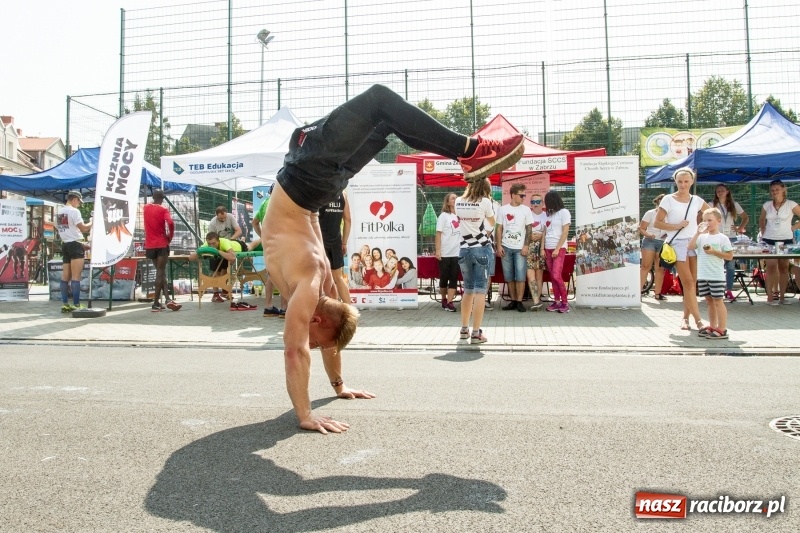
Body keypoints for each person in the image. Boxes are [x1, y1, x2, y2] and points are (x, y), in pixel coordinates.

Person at [263, 84, 523, 433]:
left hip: (312, 180)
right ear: (319, 320)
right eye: (316, 340)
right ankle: (469, 151)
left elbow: (309, 346)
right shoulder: (313, 281)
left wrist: (325, 397)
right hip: (310, 180)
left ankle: (469, 152)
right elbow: (299, 351)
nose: (310, 343)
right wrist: (310, 411)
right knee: (381, 109)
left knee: (382, 111)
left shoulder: (313, 285)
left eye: (315, 342)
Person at [654, 167, 711, 330]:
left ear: (692, 181)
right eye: (680, 181)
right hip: (677, 242)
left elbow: (712, 215)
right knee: (687, 282)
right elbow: (658, 223)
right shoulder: (668, 200)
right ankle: (699, 321)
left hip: (694, 241)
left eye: (686, 181)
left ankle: (685, 318)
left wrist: (704, 227)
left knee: (692, 283)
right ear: (675, 182)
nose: (683, 184)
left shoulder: (697, 200)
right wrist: (676, 226)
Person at [454, 178, 496, 344]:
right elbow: (492, 222)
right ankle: (476, 333)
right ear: (486, 188)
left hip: (463, 248)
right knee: (480, 291)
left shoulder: (458, 201)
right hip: (481, 248)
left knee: (468, 290)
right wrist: (486, 230)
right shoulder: (485, 202)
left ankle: (464, 329)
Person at [689, 207, 733, 339]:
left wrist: (714, 252)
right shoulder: (702, 238)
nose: (707, 223)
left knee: (718, 300)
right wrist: (697, 233)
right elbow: (690, 246)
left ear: (718, 221)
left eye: (710, 220)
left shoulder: (722, 238)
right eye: (704, 220)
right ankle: (713, 325)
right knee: (709, 301)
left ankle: (722, 328)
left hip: (716, 275)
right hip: (703, 274)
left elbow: (729, 256)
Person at [190, 231, 261, 310]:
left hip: (238, 246)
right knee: (219, 269)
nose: (211, 246)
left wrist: (219, 251)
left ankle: (260, 239)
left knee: (250, 246)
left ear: (218, 241)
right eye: (209, 244)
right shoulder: (207, 245)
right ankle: (242, 239)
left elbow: (233, 257)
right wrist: (199, 251)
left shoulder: (224, 242)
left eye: (214, 243)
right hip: (231, 244)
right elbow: (191, 257)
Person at [758, 179, 800, 305]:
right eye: (772, 190)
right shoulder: (766, 205)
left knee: (783, 268)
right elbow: (761, 219)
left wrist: (794, 227)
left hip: (785, 240)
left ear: (783, 189)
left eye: (777, 189)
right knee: (770, 267)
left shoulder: (791, 204)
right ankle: (770, 297)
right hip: (769, 240)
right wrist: (763, 230)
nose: (775, 191)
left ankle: (782, 297)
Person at [496, 183, 533, 312]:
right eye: (521, 195)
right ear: (513, 195)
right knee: (509, 276)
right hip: (506, 247)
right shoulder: (503, 209)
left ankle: (519, 301)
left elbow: (529, 229)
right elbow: (499, 227)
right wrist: (499, 245)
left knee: (520, 276)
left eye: (524, 195)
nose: (524, 197)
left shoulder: (526, 210)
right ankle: (513, 301)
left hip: (519, 248)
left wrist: (526, 245)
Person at [143, 189, 182, 312]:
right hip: (161, 244)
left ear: (153, 197)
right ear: (163, 198)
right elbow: (170, 222)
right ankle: (155, 303)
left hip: (149, 245)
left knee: (161, 273)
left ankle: (167, 299)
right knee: (160, 272)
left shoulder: (145, 208)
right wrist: (170, 236)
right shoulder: (163, 209)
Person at [252, 185, 287, 317]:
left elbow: (254, 222)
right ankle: (284, 309)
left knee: (271, 274)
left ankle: (268, 306)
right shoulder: (281, 202)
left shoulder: (265, 203)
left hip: (268, 244)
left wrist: (263, 236)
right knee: (283, 275)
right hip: (281, 242)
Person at [712, 184, 749, 302]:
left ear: (727, 191)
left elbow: (745, 217)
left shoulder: (734, 204)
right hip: (716, 237)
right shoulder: (712, 204)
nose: (720, 192)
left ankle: (728, 290)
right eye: (718, 191)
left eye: (722, 190)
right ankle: (715, 291)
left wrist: (739, 228)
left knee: (730, 266)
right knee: (715, 265)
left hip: (731, 238)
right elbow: (700, 217)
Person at [56, 191, 92, 312]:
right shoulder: (74, 211)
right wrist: (93, 221)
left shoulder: (59, 212)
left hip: (65, 244)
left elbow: (66, 231)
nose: (79, 205)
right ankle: (76, 305)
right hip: (75, 245)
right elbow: (84, 228)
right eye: (79, 202)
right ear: (75, 199)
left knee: (65, 276)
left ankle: (65, 304)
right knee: (76, 276)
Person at [318, 192, 352, 304]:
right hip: (335, 241)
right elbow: (348, 220)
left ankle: (329, 309)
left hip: (319, 240)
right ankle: (350, 312)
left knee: (321, 278)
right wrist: (344, 242)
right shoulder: (343, 194)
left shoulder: (320, 190)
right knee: (338, 278)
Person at [542, 190, 571, 313]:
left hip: (558, 248)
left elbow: (565, 231)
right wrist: (542, 248)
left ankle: (565, 302)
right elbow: (544, 232)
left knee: (556, 275)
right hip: (548, 248)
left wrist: (558, 248)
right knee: (552, 277)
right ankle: (556, 301)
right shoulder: (548, 215)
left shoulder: (564, 212)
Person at [435, 192, 461, 312]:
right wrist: (438, 250)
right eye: (453, 198)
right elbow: (438, 234)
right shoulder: (444, 216)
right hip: (445, 252)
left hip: (457, 252)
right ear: (448, 201)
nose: (455, 200)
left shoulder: (461, 216)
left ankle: (450, 302)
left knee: (454, 277)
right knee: (444, 278)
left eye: (456, 198)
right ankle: (444, 299)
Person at [639, 194, 667, 301]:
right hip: (650, 241)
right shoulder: (650, 213)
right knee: (646, 266)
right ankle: (639, 293)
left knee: (660, 268)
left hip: (663, 242)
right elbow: (641, 228)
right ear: (657, 201)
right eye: (661, 200)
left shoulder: (670, 214)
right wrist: (648, 235)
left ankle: (658, 294)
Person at [525, 193, 547, 310]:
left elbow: (549, 232)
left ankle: (537, 300)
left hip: (541, 248)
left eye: (538, 201)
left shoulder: (547, 216)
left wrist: (541, 237)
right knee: (530, 276)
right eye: (533, 202)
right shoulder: (527, 215)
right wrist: (529, 236)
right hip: (529, 248)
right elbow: (522, 230)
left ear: (542, 203)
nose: (535, 204)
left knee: (539, 276)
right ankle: (536, 300)